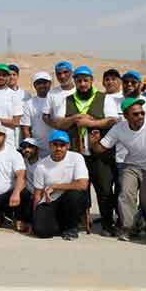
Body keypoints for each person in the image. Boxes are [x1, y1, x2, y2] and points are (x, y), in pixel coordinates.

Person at [92, 97, 146, 240]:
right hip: (131, 165)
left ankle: (142, 222)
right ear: (126, 116)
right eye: (135, 114)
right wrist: (93, 143)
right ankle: (128, 229)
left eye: (142, 113)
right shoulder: (119, 129)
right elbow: (101, 148)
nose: (140, 116)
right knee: (125, 194)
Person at [52, 65, 117, 236]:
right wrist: (74, 118)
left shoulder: (104, 98)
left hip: (100, 153)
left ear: (91, 81)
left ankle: (107, 223)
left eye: (85, 80)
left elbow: (111, 121)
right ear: (74, 81)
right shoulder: (67, 100)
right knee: (79, 190)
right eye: (79, 80)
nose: (82, 84)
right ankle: (80, 220)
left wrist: (92, 124)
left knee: (104, 190)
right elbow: (58, 123)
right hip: (76, 153)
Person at [32, 131, 91, 240]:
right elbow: (37, 194)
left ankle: (71, 227)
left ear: (68, 146)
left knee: (75, 194)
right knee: (40, 231)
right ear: (50, 145)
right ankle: (62, 225)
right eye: (55, 144)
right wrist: (34, 217)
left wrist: (55, 187)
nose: (58, 148)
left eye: (62, 145)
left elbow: (83, 184)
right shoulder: (41, 165)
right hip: (50, 201)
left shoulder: (76, 158)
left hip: (69, 200)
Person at [22, 72, 55, 143]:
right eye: (39, 83)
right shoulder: (28, 103)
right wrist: (30, 146)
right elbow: (26, 129)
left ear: (50, 84)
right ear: (34, 85)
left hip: (56, 145)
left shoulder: (57, 100)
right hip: (37, 146)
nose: (42, 85)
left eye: (45, 83)